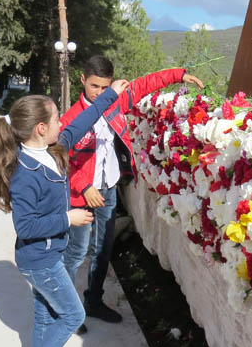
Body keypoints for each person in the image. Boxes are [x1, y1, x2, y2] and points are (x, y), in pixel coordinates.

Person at [0, 80, 129, 347]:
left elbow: (85, 119)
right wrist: (68, 218)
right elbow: (25, 227)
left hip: (48, 256)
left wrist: (110, 94)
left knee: (45, 315)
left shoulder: (54, 149)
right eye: (56, 119)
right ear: (41, 128)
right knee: (73, 316)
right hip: (41, 262)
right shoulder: (26, 174)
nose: (62, 123)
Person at [60, 56, 204, 324]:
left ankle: (93, 301)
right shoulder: (71, 118)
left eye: (105, 87)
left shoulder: (115, 102)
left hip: (108, 188)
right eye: (94, 87)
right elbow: (62, 161)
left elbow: (143, 85)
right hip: (81, 194)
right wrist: (84, 186)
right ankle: (65, 312)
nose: (100, 93)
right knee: (76, 252)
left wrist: (179, 75)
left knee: (103, 249)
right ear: (82, 80)